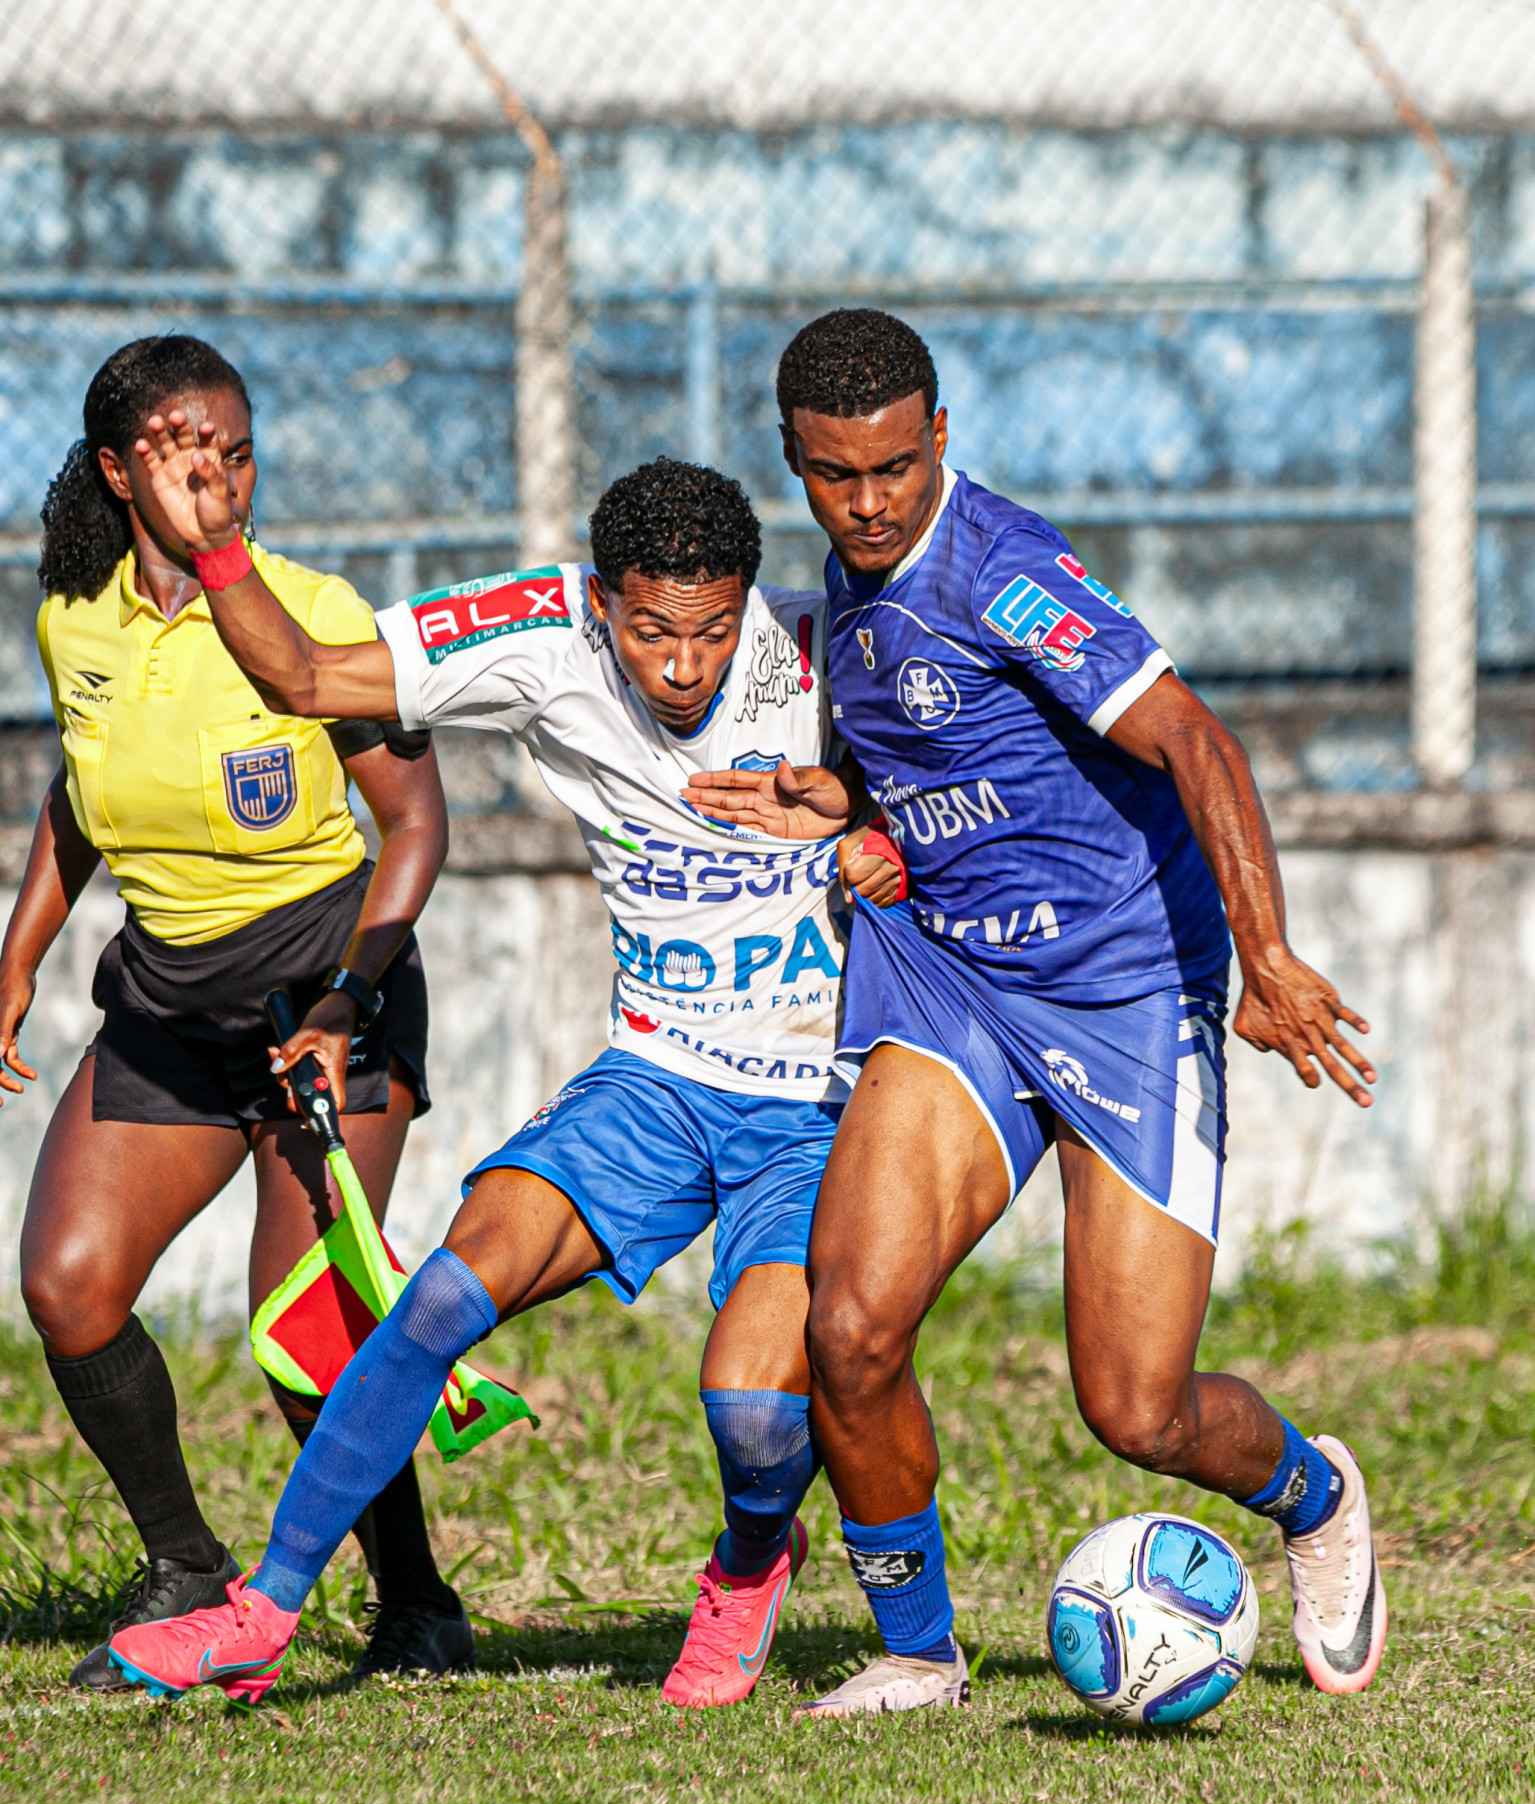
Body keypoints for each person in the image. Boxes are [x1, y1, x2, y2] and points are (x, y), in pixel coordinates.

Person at [103, 450, 925, 1712]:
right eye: (651, 632)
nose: (683, 666)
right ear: (601, 603)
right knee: (438, 1295)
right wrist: (216, 552)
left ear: (749, 606)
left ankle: (751, 1560)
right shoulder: (542, 637)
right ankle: (262, 1610)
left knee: (754, 1415)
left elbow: (978, 799)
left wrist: (876, 837)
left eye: (712, 632)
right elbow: (306, 676)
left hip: (815, 1107)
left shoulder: (831, 649)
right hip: (653, 1079)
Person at [686, 307, 1387, 1713]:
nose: (867, 502)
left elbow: (1191, 737)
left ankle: (1313, 1496)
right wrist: (853, 804)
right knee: (849, 1331)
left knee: (1138, 1409)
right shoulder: (848, 578)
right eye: (834, 474)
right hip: (954, 984)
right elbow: (961, 756)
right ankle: (917, 1651)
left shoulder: (1002, 571)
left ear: (938, 437)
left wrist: (1263, 953)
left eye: (894, 467)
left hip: (1124, 988)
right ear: (794, 460)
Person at [0, 335, 466, 1689]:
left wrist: (348, 1000)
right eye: (187, 456)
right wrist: (20, 952)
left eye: (240, 453)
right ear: (118, 472)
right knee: (68, 1287)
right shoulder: (74, 618)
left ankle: (415, 1604)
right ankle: (183, 1570)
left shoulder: (311, 612)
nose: (224, 480)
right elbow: (80, 796)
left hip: (325, 997)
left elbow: (414, 824)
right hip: (167, 1003)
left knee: (303, 1329)